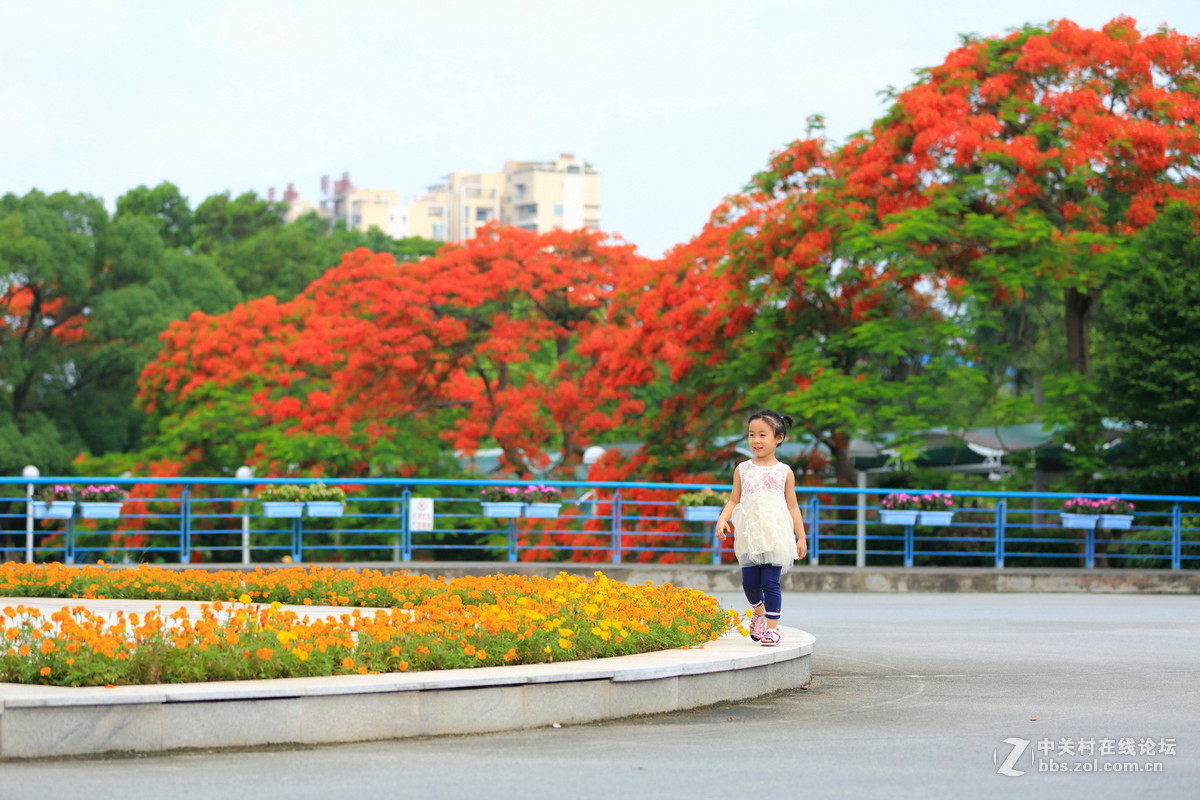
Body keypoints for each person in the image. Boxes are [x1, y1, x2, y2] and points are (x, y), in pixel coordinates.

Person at [715, 409, 808, 646]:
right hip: (750, 535)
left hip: (775, 535)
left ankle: (773, 629)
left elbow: (793, 506)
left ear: (778, 438)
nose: (756, 440)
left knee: (770, 582)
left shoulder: (784, 471)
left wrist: (801, 537)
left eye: (762, 435)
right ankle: (759, 614)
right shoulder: (743, 469)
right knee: (750, 584)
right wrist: (723, 518)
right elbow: (734, 500)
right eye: (752, 434)